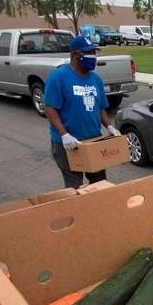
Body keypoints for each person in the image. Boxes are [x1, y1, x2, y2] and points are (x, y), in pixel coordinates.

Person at [44, 35, 120, 189]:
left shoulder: (96, 80)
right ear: (74, 55)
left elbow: (100, 108)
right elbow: (50, 108)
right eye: (88, 52)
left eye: (94, 52)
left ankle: (99, 212)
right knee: (75, 190)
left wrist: (109, 127)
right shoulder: (59, 77)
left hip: (93, 141)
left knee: (99, 185)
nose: (93, 56)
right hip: (69, 144)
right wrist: (64, 135)